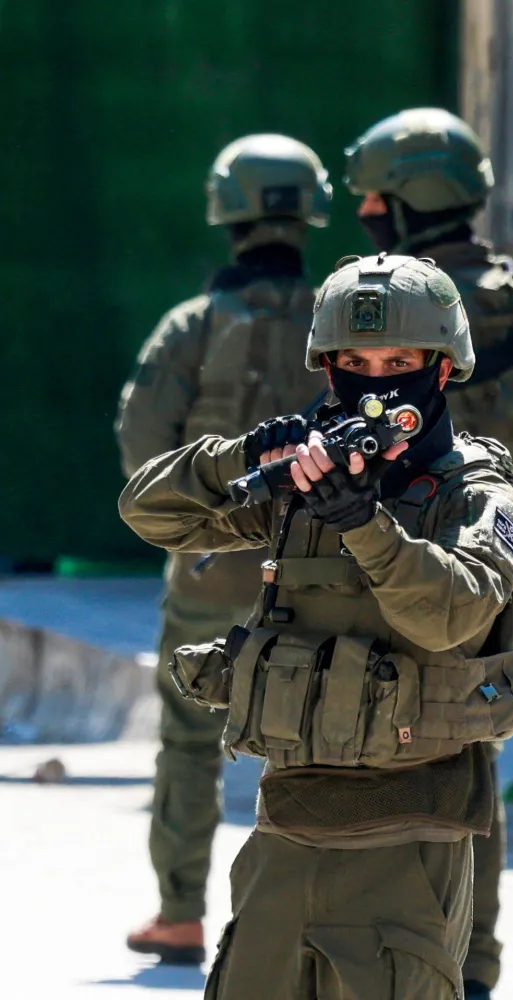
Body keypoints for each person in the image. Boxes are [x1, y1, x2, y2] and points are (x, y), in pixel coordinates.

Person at [119, 253, 513, 999]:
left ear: (441, 369)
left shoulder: (478, 491)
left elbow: (451, 611)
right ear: (330, 369)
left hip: (409, 841)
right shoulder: (313, 479)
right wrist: (244, 456)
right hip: (287, 831)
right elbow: (147, 511)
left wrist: (365, 526)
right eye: (356, 361)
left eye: (400, 360)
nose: (377, 382)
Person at [343, 106, 513, 1000]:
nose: (366, 207)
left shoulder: (391, 303)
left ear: (411, 197)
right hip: (499, 561)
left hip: (390, 555)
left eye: (377, 193)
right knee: (472, 750)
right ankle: (472, 966)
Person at [116, 134, 333, 965]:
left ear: (226, 213)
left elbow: (144, 449)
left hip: (209, 567)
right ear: (309, 212)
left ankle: (179, 913)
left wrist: (195, 528)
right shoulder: (342, 324)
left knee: (187, 738)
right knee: (319, 738)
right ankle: (309, 922)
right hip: (319, 569)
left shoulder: (194, 327)